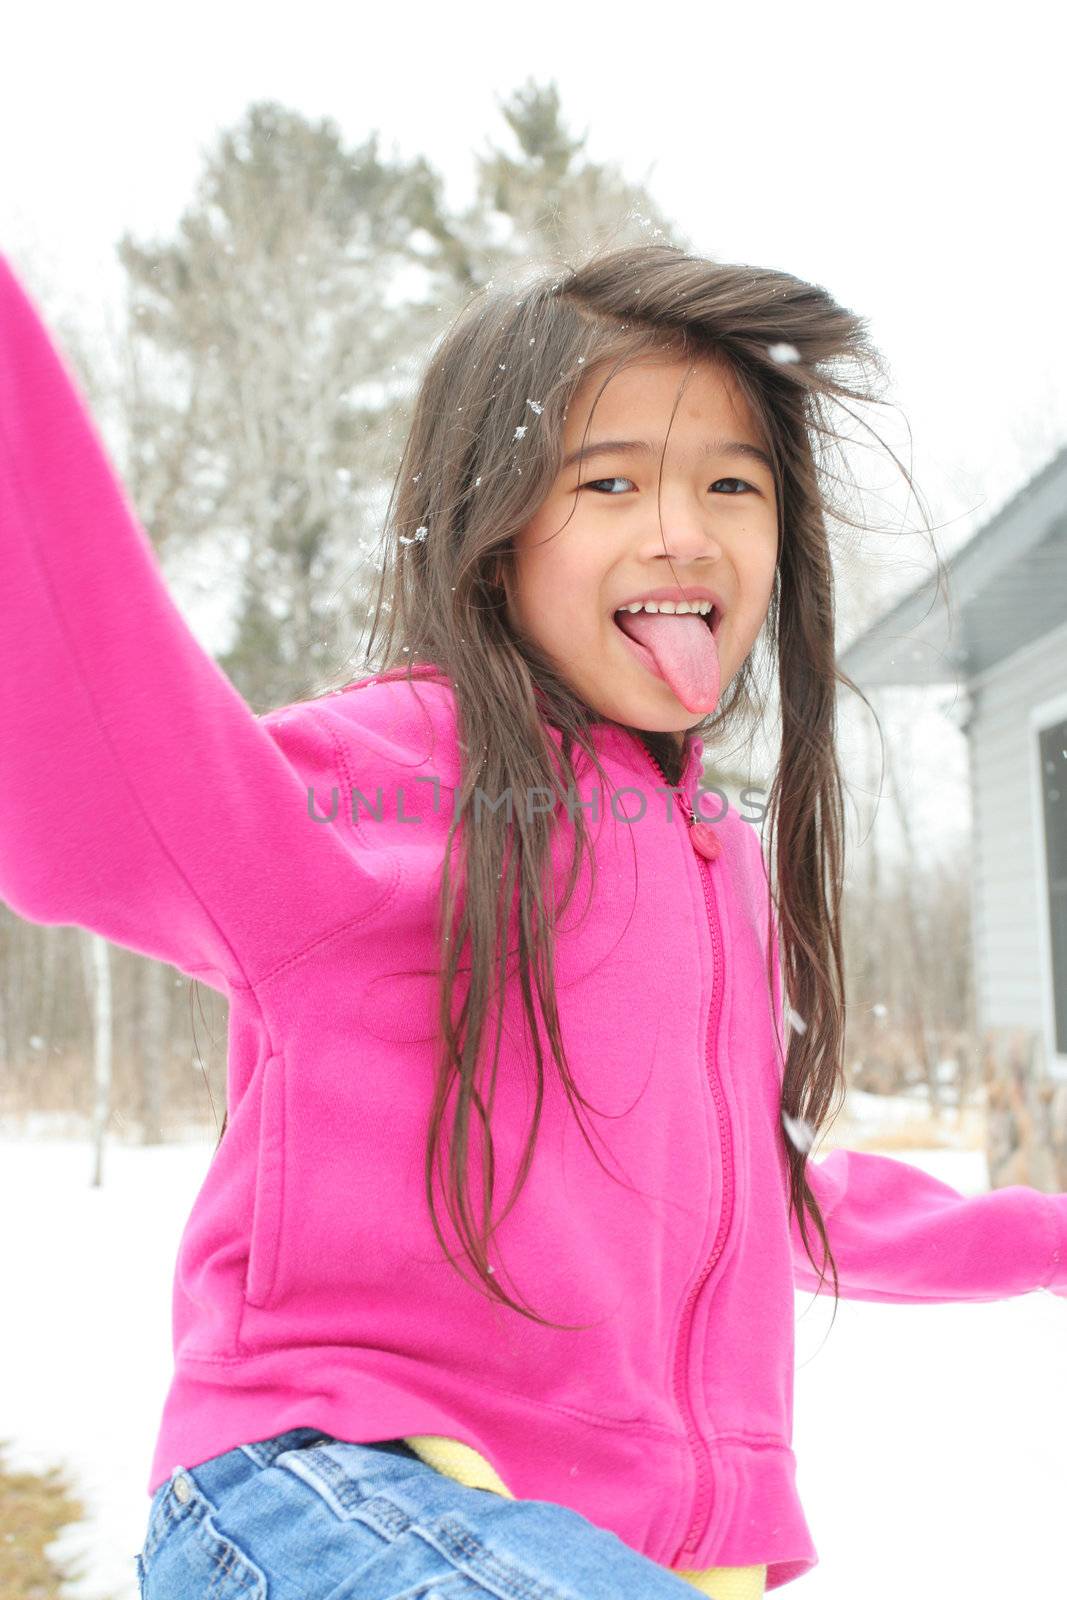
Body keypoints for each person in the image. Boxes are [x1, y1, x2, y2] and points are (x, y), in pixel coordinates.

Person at [1, 241, 1064, 1600]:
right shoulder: (407, 766)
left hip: (595, 1555)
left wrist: (1046, 1238)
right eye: (610, 480)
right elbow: (108, 803)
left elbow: (758, 1196)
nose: (682, 529)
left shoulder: (717, 864)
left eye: (732, 484)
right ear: (493, 529)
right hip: (329, 1489)